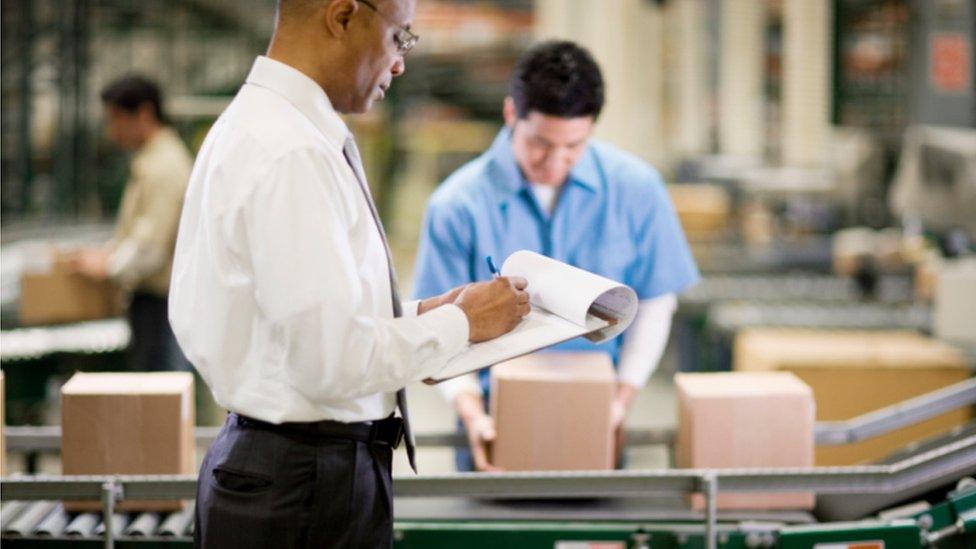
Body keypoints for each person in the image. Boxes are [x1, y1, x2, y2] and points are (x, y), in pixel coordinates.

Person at [168, 0, 529, 547]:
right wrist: (461, 324)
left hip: (293, 471)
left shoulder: (268, 128)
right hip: (303, 485)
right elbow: (331, 361)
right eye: (399, 38)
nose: (401, 62)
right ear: (342, 17)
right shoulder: (289, 152)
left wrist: (421, 316)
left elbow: (301, 330)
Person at [413, 40, 700, 472]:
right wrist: (471, 413)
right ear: (512, 114)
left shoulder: (637, 191)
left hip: (598, 415)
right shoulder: (458, 205)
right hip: (492, 424)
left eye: (574, 146)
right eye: (541, 144)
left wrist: (622, 400)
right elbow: (434, 327)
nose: (556, 161)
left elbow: (657, 303)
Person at [74, 75, 193, 372]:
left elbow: (151, 249)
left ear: (144, 113)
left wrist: (109, 266)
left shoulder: (164, 166)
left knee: (159, 400)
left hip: (161, 304)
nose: (113, 132)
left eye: (116, 119)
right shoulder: (152, 160)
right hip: (153, 302)